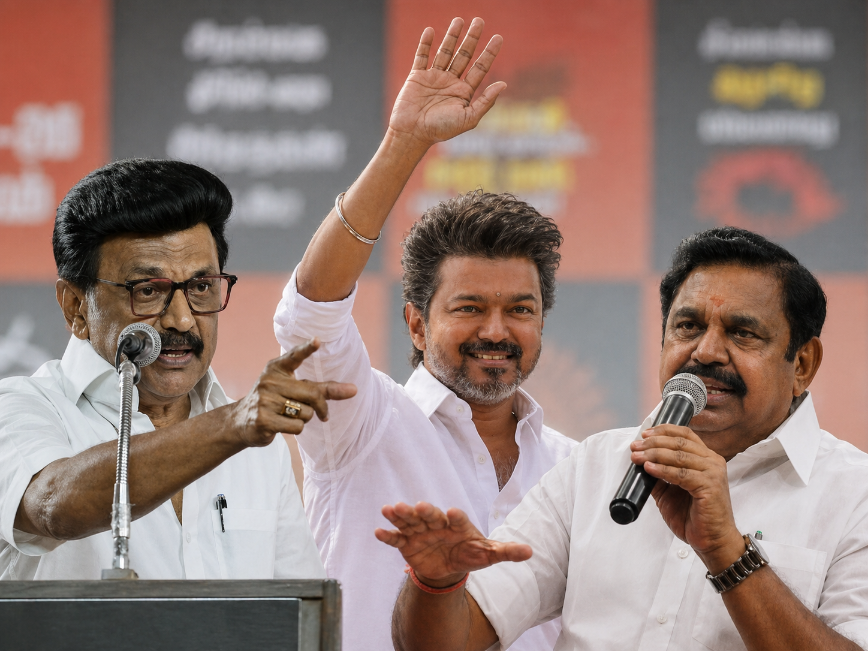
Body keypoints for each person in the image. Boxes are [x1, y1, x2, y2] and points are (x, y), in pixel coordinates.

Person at [382, 227, 868, 651]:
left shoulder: (854, 496)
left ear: (802, 364)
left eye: (742, 333)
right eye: (688, 327)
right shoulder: (596, 466)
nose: (706, 352)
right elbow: (446, 641)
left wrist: (729, 554)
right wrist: (436, 583)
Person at [273, 17, 576, 651]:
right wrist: (404, 143)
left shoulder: (575, 468)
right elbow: (311, 313)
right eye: (469, 307)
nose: (496, 330)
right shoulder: (361, 423)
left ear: (542, 320)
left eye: (520, 309)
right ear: (416, 322)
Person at [0, 159, 355, 580]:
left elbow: (298, 608)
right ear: (76, 307)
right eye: (148, 291)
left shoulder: (258, 446)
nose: (182, 320)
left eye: (201, 287)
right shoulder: (21, 407)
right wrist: (232, 426)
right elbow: (53, 506)